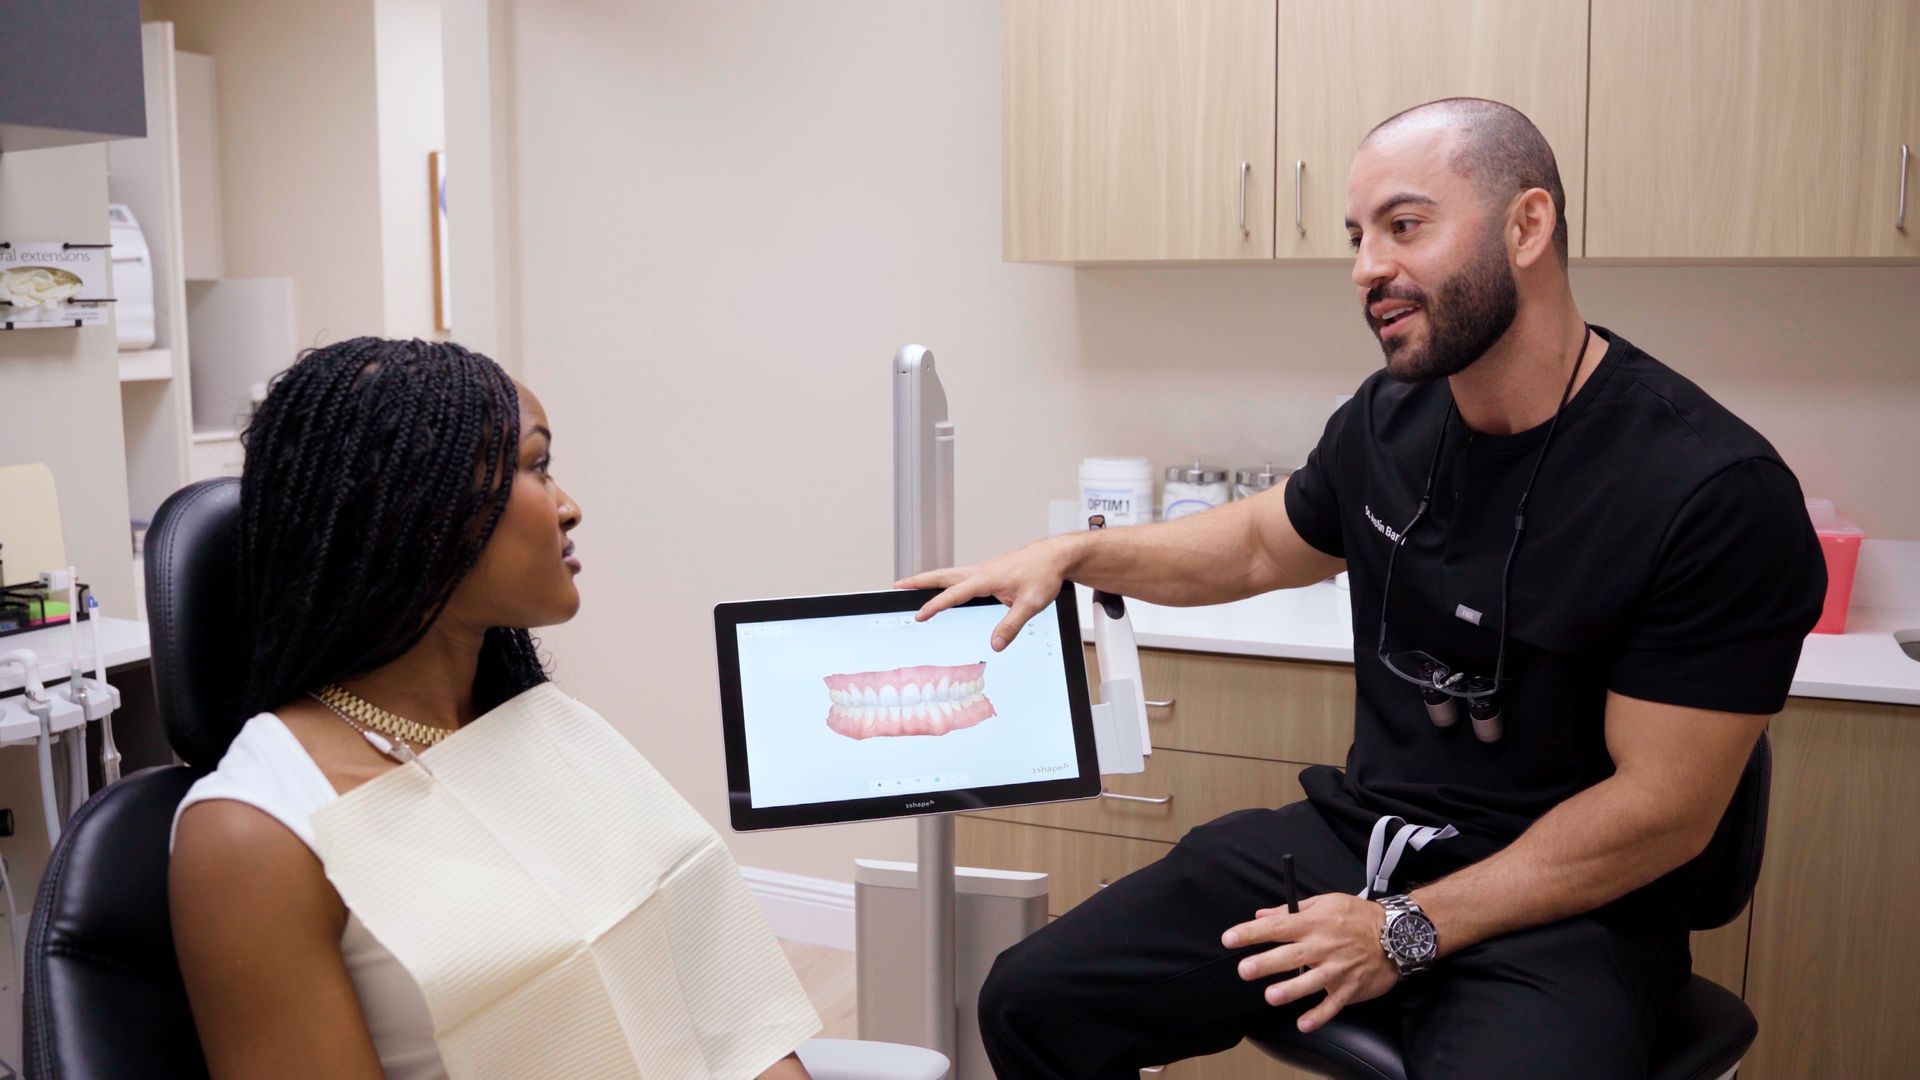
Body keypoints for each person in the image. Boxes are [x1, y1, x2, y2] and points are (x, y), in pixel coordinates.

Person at [899, 98, 1827, 1078]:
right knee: (1034, 1003)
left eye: (1405, 224)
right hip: (1359, 840)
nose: (1365, 268)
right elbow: (1261, 544)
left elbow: (1663, 811)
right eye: (1357, 236)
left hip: (1563, 911)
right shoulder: (1390, 418)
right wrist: (1075, 559)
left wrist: (1404, 930)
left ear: (1527, 226)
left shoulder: (1709, 489)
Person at [168, 339, 815, 1079]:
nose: (570, 506)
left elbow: (735, 1032)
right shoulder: (255, 831)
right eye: (537, 466)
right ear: (416, 511)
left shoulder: (544, 729)